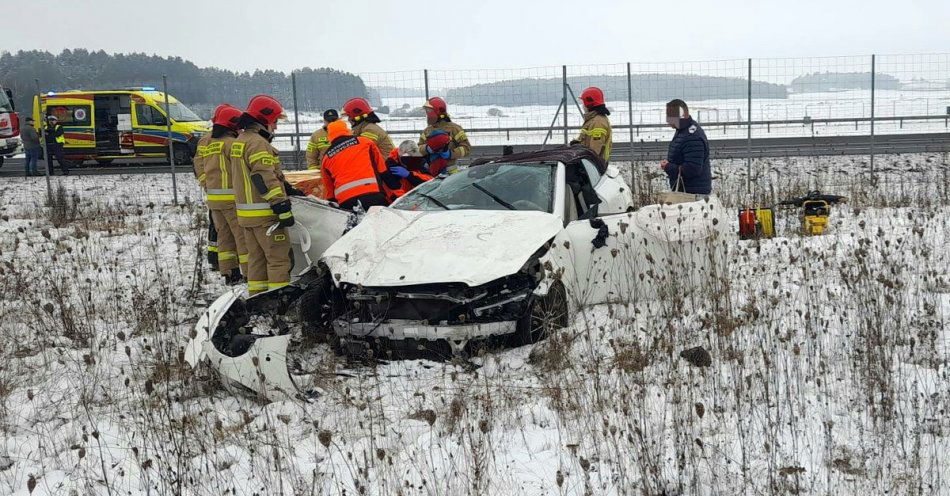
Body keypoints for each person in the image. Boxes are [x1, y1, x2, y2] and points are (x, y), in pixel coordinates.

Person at [230, 95, 294, 295]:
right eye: (274, 121)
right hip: (265, 216)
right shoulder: (258, 143)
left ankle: (257, 301)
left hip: (246, 216)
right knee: (278, 260)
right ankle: (278, 303)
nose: (275, 126)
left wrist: (288, 188)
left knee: (256, 261)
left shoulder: (240, 141)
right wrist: (281, 205)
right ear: (264, 119)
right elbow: (262, 176)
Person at [196, 103, 248, 284]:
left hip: (214, 199)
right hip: (231, 199)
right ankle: (249, 273)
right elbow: (240, 170)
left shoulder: (210, 144)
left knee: (224, 236)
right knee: (242, 237)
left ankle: (229, 273)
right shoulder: (231, 144)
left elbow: (201, 167)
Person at [321, 120, 389, 211]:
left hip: (346, 202)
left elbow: (329, 193)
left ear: (329, 136)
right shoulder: (365, 142)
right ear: (347, 130)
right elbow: (383, 170)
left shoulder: (326, 158)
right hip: (373, 194)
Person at [660, 99, 712, 195]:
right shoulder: (683, 131)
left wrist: (668, 167)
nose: (667, 120)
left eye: (670, 116)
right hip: (688, 190)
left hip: (693, 194)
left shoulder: (692, 137)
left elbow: (693, 168)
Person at [417, 97, 470, 173]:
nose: (427, 114)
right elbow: (418, 150)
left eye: (429, 111)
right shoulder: (427, 131)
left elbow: (466, 148)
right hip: (432, 171)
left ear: (438, 111)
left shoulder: (454, 128)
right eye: (426, 111)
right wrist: (427, 149)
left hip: (450, 172)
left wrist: (451, 154)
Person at [571, 87, 612, 162]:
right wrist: (578, 144)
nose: (582, 106)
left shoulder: (598, 122)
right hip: (590, 163)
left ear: (589, 104)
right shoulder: (593, 119)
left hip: (595, 165)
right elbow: (588, 142)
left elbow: (594, 151)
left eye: (583, 103)